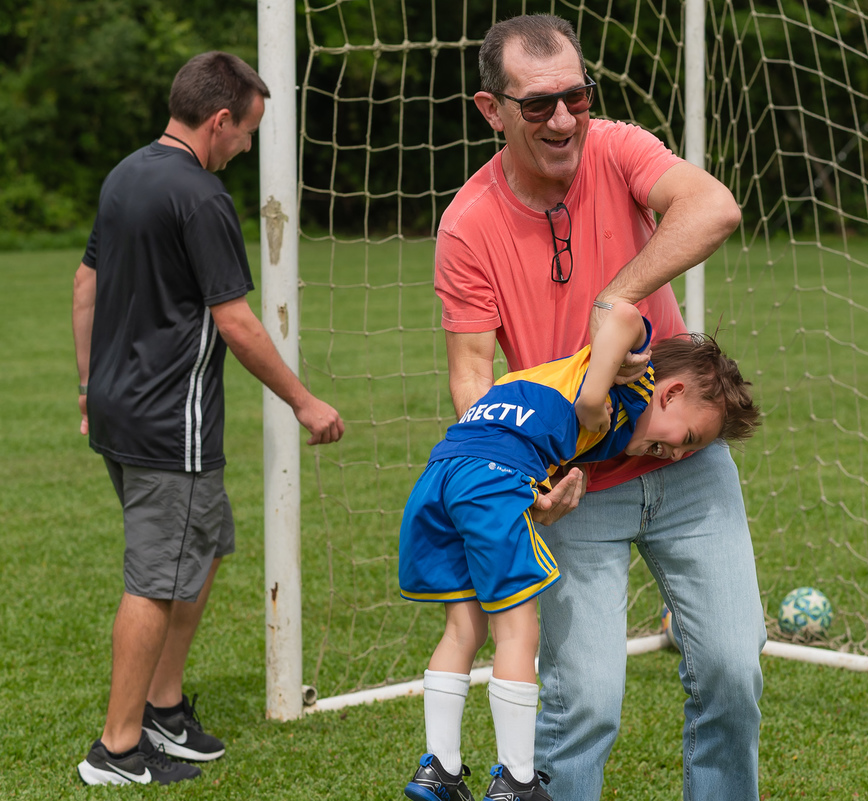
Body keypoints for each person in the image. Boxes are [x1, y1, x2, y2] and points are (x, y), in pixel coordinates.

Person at [435, 14, 765, 801]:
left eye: (576, 98)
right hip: (573, 483)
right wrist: (520, 484)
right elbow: (472, 381)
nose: (562, 120)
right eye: (539, 104)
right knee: (584, 701)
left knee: (732, 665)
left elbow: (714, 208)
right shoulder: (468, 224)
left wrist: (618, 295)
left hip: (686, 461)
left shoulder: (616, 148)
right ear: (493, 110)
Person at [71, 51, 345, 786]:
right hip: (170, 425)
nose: (247, 147)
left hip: (117, 412)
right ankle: (118, 749)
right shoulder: (199, 197)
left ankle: (161, 703)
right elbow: (238, 324)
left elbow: (84, 282)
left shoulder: (125, 173)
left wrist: (86, 383)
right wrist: (305, 400)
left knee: (208, 541)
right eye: (247, 132)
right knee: (155, 578)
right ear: (219, 120)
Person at [399, 301, 760, 801]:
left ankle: (438, 768)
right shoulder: (626, 380)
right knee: (518, 635)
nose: (678, 455)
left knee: (463, 629)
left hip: (441, 472)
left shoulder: (560, 392)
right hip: (493, 481)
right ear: (671, 391)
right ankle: (516, 779)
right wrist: (594, 396)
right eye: (689, 439)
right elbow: (623, 315)